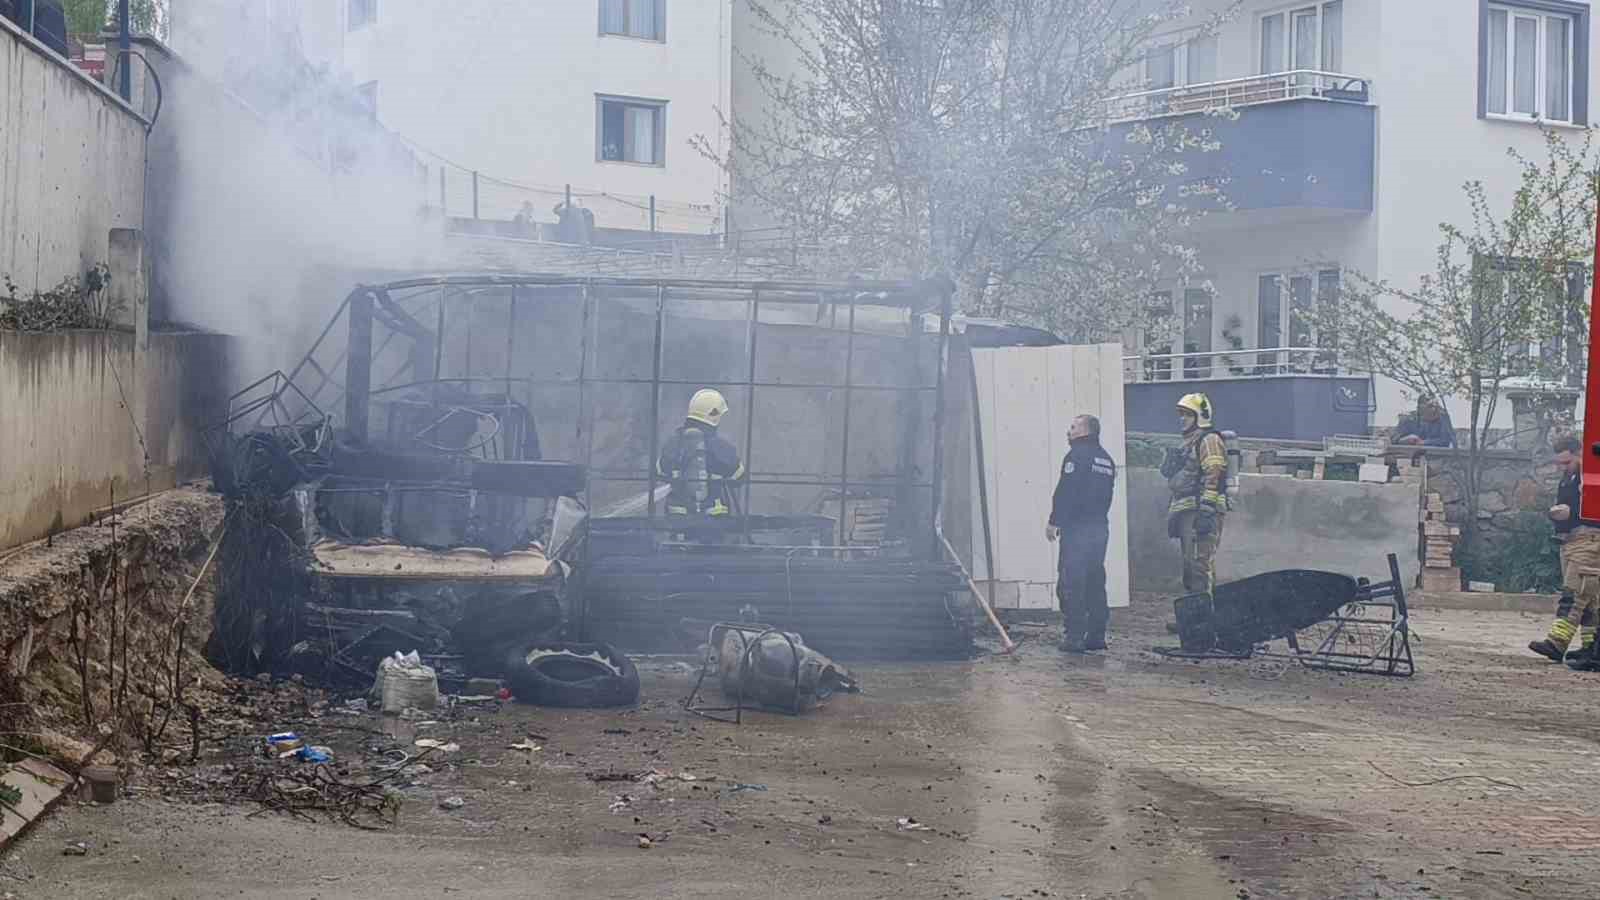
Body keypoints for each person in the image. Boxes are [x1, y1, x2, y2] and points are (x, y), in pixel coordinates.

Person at [1047, 415, 1118, 653]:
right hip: (1099, 529)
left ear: (1085, 431)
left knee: (1071, 582)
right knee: (1095, 581)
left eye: (1073, 427)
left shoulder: (1076, 456)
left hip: (1077, 530)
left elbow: (1066, 491)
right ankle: (1096, 636)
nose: (1069, 431)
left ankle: (1074, 637)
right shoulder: (1106, 459)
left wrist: (1054, 521)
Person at [1162, 393, 1229, 595]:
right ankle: (1194, 608)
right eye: (1180, 414)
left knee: (1200, 566)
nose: (1182, 419)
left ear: (1201, 416)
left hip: (1201, 511)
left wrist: (1207, 509)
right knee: (1190, 566)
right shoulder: (1189, 442)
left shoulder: (1209, 440)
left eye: (1188, 414)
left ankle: (1204, 611)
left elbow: (1214, 472)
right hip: (1188, 511)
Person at [657, 389, 744, 516]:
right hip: (713, 517)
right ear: (714, 415)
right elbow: (740, 477)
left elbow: (659, 471)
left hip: (678, 516)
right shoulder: (722, 447)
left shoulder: (672, 443)